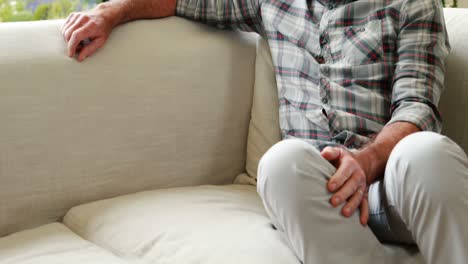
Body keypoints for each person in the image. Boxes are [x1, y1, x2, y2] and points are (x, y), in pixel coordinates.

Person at [61, 0, 468, 263]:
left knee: (427, 151)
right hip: (317, 194)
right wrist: (110, 13)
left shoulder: (413, 4)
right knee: (280, 162)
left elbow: (417, 106)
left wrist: (364, 163)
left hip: (390, 185)